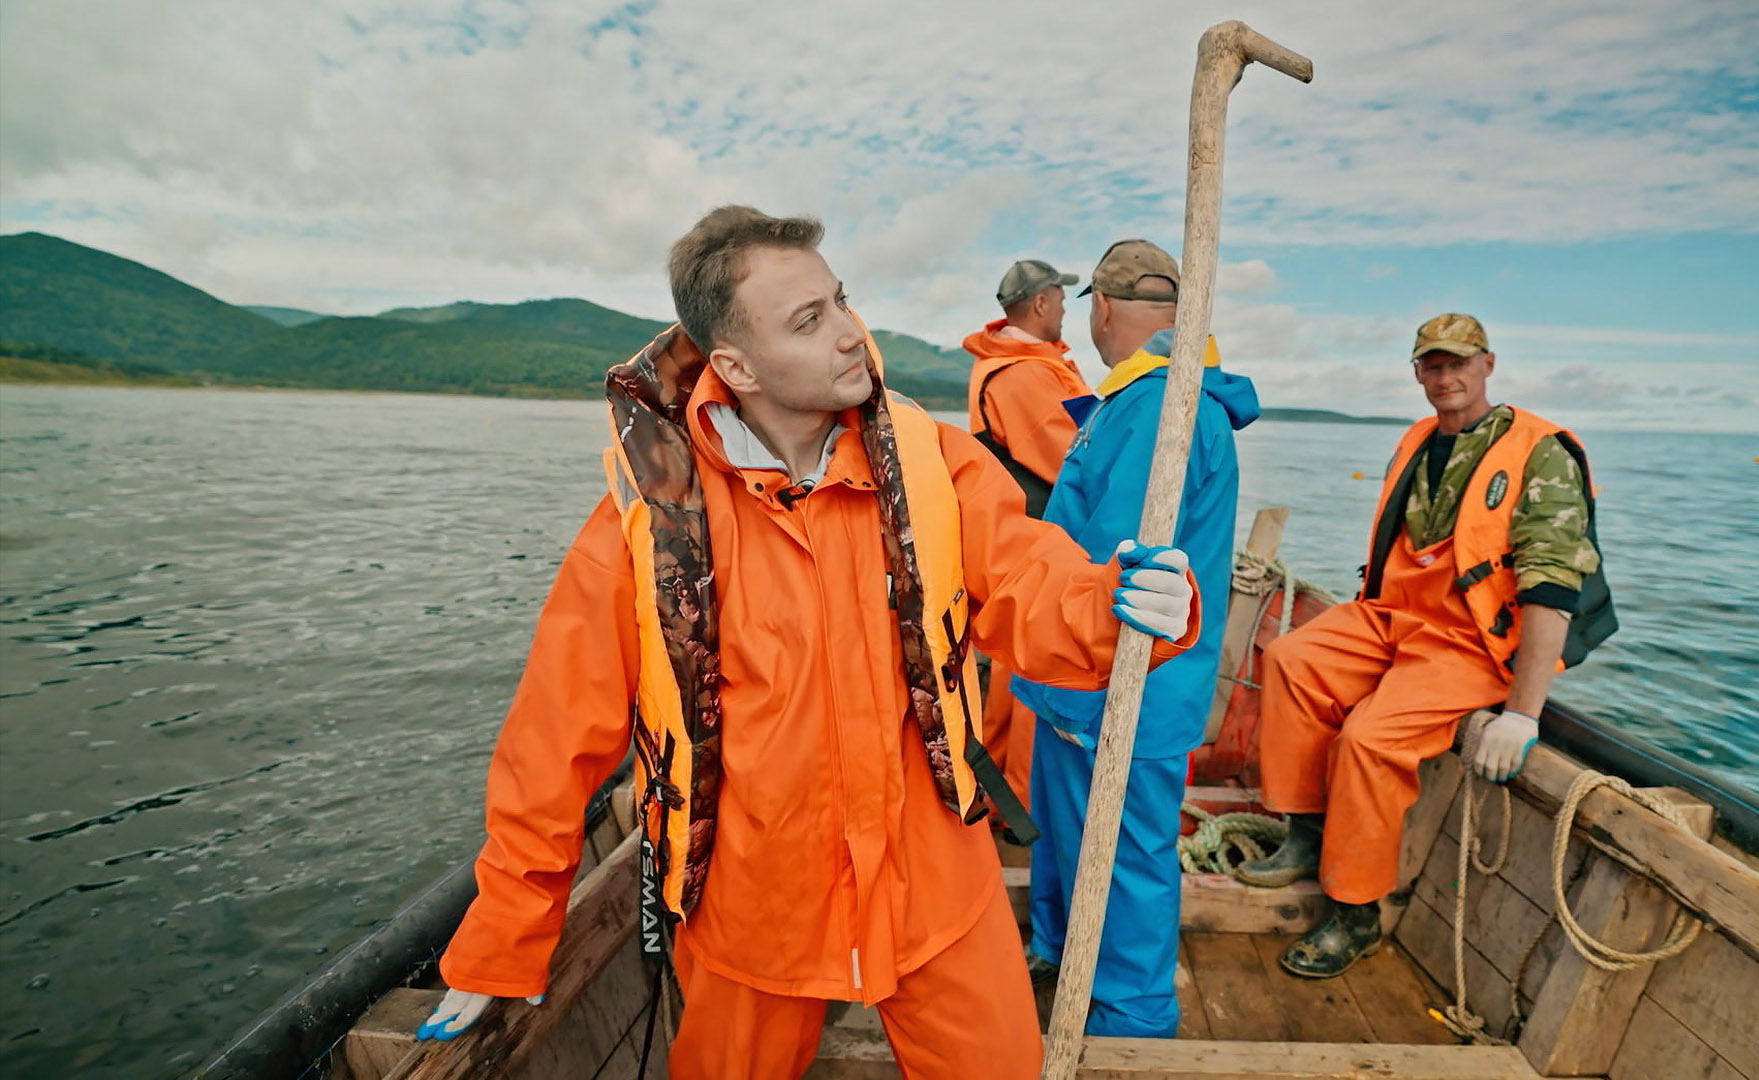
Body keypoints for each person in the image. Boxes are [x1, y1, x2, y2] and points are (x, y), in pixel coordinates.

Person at [411, 205, 1204, 1079]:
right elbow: (554, 738)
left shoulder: (935, 464)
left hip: (937, 883)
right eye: (808, 320)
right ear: (735, 366)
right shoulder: (645, 526)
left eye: (841, 300)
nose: (851, 333)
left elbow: (1032, 581)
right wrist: (502, 940)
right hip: (751, 908)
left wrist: (1120, 603)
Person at [1236, 313, 1615, 979]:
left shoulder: (1540, 450)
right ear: (1416, 372)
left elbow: (1552, 589)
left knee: (1369, 739)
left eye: (1458, 363)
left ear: (1488, 364)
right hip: (1394, 616)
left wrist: (1522, 714)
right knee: (1292, 659)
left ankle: (1356, 912)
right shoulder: (1416, 437)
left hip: (1470, 641)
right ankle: (1306, 831)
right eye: (1432, 365)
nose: (1446, 377)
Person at [1010, 239, 1259, 1036]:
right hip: (1074, 680)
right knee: (1067, 831)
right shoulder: (1137, 399)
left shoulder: (1161, 406)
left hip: (1126, 684)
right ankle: (1058, 948)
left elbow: (1113, 560)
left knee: (1125, 852)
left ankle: (1132, 1017)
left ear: (1104, 309)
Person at [961, 258, 1096, 811]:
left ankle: (1002, 799)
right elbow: (1077, 460)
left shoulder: (1025, 365)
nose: (1065, 308)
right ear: (1040, 302)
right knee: (1030, 671)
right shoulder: (1023, 376)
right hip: (1034, 542)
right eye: (1060, 298)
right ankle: (1018, 801)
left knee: (1013, 671)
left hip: (1024, 539)